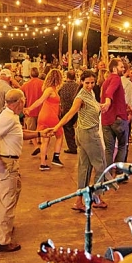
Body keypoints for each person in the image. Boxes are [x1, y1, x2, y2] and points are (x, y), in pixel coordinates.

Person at [0, 89, 52, 252]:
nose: (25, 103)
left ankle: (3, 224)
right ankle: (1, 240)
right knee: (8, 198)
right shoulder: (8, 117)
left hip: (10, 162)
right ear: (19, 102)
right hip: (7, 162)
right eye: (24, 100)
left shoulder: (10, 117)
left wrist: (40, 133)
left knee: (12, 192)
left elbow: (19, 133)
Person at [52, 70, 109, 211]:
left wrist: (101, 106)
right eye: (87, 82)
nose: (90, 85)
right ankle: (96, 198)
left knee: (85, 168)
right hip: (89, 135)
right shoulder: (80, 97)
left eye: (92, 82)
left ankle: (78, 201)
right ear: (81, 81)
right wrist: (56, 127)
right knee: (101, 166)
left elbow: (93, 107)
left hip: (84, 133)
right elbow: (69, 114)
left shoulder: (91, 93)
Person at [25, 68, 65, 170]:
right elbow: (40, 100)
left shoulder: (51, 89)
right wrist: (30, 108)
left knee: (45, 140)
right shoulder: (50, 90)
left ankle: (43, 164)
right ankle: (56, 157)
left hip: (43, 116)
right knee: (60, 135)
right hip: (50, 116)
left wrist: (30, 108)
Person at [101, 58, 129, 166]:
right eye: (121, 67)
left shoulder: (106, 81)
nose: (123, 69)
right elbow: (110, 92)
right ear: (114, 68)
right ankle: (118, 172)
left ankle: (107, 176)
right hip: (118, 119)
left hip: (106, 120)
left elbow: (114, 97)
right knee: (122, 146)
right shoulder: (116, 78)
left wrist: (127, 106)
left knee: (109, 149)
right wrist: (108, 101)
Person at [21, 67, 44, 153]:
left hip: (30, 110)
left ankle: (36, 146)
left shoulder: (26, 84)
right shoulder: (43, 84)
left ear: (30, 74)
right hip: (42, 109)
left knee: (31, 130)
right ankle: (40, 141)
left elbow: (20, 94)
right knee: (41, 128)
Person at [58, 69, 79, 154]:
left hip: (66, 110)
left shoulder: (63, 86)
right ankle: (77, 144)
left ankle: (72, 147)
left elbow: (58, 94)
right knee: (76, 128)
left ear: (67, 77)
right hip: (76, 110)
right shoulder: (78, 86)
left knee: (68, 128)